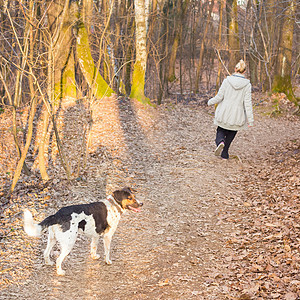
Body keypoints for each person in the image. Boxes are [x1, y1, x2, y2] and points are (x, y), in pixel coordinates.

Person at [207, 60, 254, 159]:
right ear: (244, 71)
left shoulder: (227, 81)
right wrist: (250, 120)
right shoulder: (247, 85)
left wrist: (210, 102)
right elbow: (247, 103)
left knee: (221, 130)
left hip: (224, 111)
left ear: (235, 69)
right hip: (237, 114)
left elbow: (219, 97)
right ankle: (225, 153)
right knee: (232, 132)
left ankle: (220, 142)